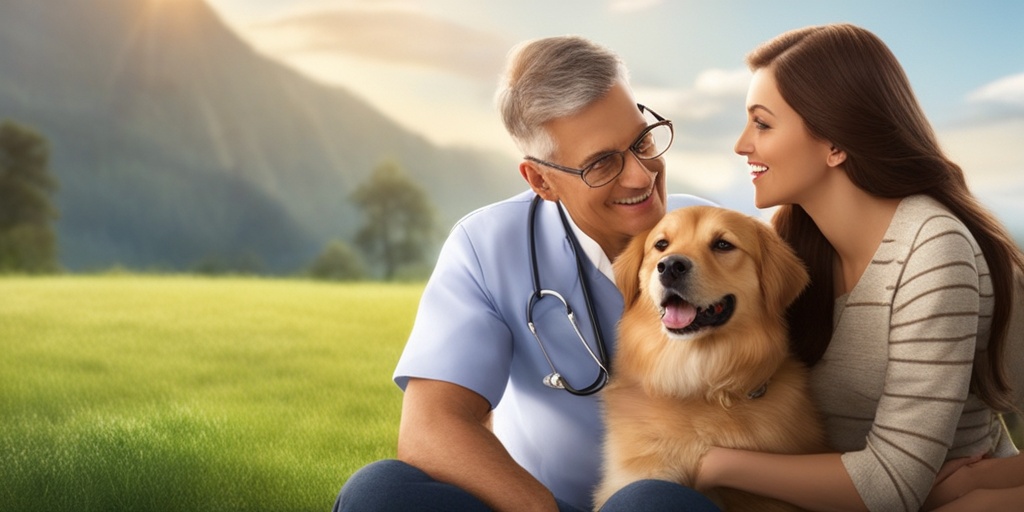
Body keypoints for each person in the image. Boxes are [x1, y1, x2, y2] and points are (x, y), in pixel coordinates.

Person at [333, 35, 721, 512]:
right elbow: (431, 429)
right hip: (537, 505)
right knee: (379, 493)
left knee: (650, 502)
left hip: (664, 503)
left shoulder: (719, 239)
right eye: (602, 164)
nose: (642, 175)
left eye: (642, 141)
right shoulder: (486, 247)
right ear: (541, 180)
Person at [699, 23, 1024, 512]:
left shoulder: (933, 249)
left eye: (762, 123)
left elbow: (891, 485)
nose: (742, 144)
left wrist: (712, 464)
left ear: (835, 143)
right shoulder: (789, 241)